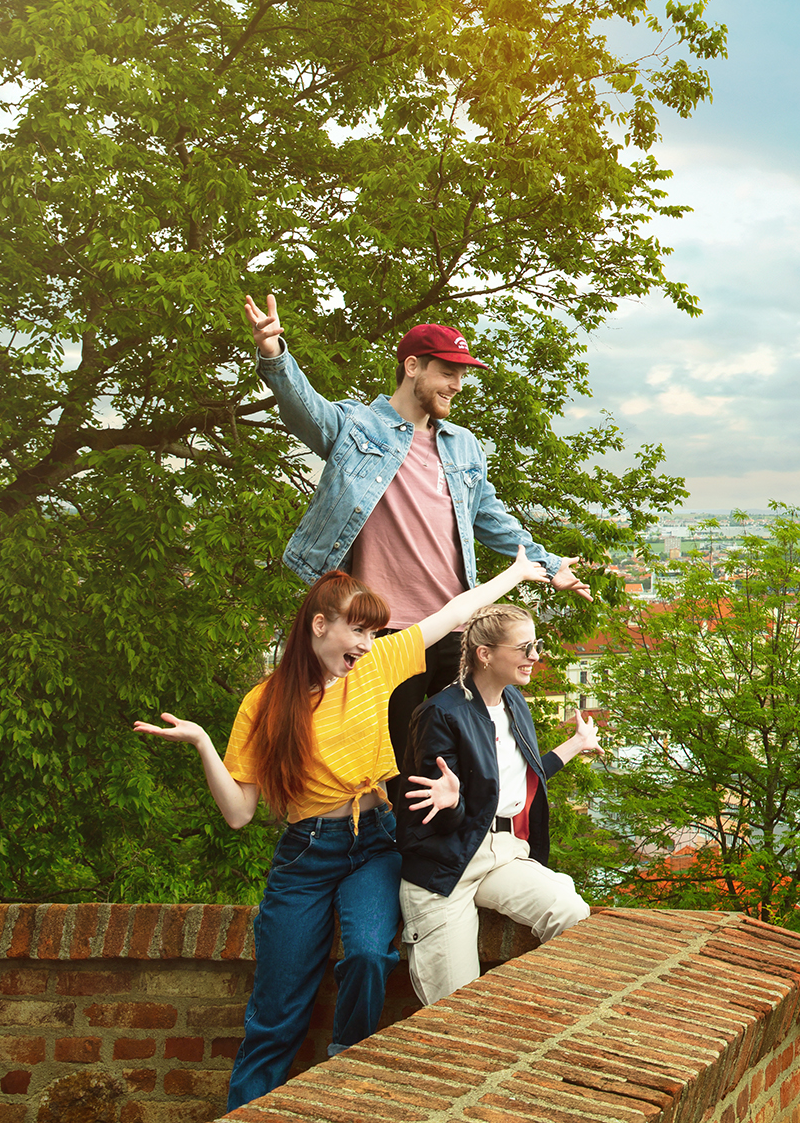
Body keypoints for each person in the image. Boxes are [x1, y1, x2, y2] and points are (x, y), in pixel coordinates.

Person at [135, 547, 548, 1110]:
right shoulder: (263, 705)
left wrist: (518, 572)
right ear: (319, 625)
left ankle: (342, 1064)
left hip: (374, 843)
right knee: (275, 1014)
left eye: (374, 633)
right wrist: (205, 744)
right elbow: (239, 813)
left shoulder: (375, 667)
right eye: (358, 630)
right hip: (304, 856)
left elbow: (455, 613)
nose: (366, 644)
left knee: (368, 956)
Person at [242, 293, 593, 760]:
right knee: (394, 767)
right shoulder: (358, 427)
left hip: (456, 633)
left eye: (462, 374)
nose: (458, 384)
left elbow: (491, 518)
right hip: (383, 640)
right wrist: (274, 354)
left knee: (464, 764)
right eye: (448, 372)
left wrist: (548, 565)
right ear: (412, 367)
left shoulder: (464, 446)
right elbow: (306, 409)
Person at [391, 603, 600, 1004]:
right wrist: (452, 803)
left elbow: (514, 778)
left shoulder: (513, 704)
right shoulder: (439, 714)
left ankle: (536, 1013)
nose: (535, 656)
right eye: (524, 648)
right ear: (485, 654)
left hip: (500, 853)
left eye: (535, 645)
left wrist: (576, 744)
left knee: (571, 913)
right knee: (455, 1005)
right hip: (446, 866)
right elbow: (429, 813)